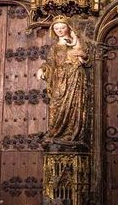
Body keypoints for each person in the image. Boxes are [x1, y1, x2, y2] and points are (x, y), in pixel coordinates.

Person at [38, 18, 90, 150]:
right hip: (59, 79)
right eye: (56, 28)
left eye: (62, 27)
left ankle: (73, 135)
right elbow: (50, 63)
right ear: (53, 31)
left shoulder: (78, 41)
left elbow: (87, 58)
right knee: (56, 104)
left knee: (74, 104)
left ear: (68, 28)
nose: (60, 31)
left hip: (74, 77)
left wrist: (82, 54)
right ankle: (55, 133)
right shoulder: (55, 47)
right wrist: (42, 69)